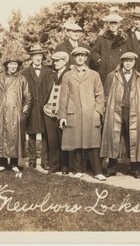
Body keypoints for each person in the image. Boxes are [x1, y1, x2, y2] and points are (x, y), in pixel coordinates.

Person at [58, 47, 106, 181]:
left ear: (86, 58)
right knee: (76, 141)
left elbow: (100, 95)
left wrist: (97, 112)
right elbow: (63, 97)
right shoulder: (68, 76)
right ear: (74, 58)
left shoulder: (94, 75)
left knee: (93, 142)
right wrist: (62, 116)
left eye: (83, 56)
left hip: (91, 114)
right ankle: (78, 169)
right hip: (74, 113)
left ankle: (97, 171)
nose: (80, 58)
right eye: (77, 55)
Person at [100, 52, 140, 179]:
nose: (128, 63)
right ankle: (111, 168)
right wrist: (104, 112)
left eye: (131, 61)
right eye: (126, 60)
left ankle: (135, 169)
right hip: (115, 111)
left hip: (134, 112)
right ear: (122, 62)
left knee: (134, 139)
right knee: (114, 138)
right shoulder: (112, 76)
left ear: (134, 62)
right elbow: (105, 96)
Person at [0, 57, 32, 174]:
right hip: (1, 113)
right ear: (7, 65)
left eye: (15, 64)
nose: (13, 66)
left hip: (16, 113)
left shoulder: (22, 79)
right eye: (10, 64)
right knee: (1, 137)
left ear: (18, 66)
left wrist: (24, 113)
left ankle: (13, 163)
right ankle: (2, 163)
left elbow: (28, 98)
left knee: (15, 138)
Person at [21, 44, 51, 170]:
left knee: (46, 134)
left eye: (40, 55)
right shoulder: (25, 73)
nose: (38, 58)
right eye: (35, 56)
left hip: (45, 107)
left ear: (42, 57)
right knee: (32, 134)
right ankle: (32, 160)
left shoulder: (49, 72)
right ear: (31, 57)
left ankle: (45, 161)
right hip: (32, 108)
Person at [42, 51, 70, 174]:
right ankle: (54, 165)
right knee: (52, 140)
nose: (55, 63)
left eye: (58, 61)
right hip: (48, 111)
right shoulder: (51, 76)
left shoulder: (70, 74)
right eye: (54, 61)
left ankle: (65, 166)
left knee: (64, 139)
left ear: (65, 61)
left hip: (63, 113)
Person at [92, 13, 132, 84]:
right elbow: (94, 52)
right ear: (108, 24)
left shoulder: (124, 38)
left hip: (120, 68)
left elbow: (129, 53)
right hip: (105, 69)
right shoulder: (101, 38)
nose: (113, 25)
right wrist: (99, 60)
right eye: (111, 23)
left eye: (115, 23)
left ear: (118, 24)